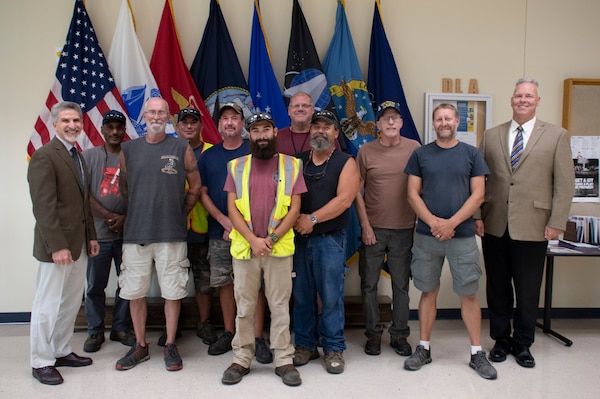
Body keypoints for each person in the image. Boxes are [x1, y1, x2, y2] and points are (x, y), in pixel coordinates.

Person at [475, 78, 575, 368]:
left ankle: (522, 345)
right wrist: (477, 215)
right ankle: (500, 341)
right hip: (494, 224)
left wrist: (557, 221)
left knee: (528, 289)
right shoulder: (492, 135)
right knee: (497, 287)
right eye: (518, 95)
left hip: (535, 225)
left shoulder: (556, 135)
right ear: (511, 100)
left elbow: (564, 184)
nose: (522, 100)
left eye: (528, 96)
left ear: (537, 101)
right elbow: (479, 180)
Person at [403, 103, 497, 380]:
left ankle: (477, 353)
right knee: (427, 291)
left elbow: (478, 195)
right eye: (439, 119)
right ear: (433, 123)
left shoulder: (472, 154)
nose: (444, 122)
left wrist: (451, 223)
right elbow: (412, 194)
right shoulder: (421, 154)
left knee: (468, 293)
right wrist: (434, 223)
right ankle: (424, 348)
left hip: (462, 235)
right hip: (427, 236)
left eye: (448, 118)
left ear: (457, 122)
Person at [115, 98, 201, 372]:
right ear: (144, 116)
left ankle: (171, 344)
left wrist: (180, 210)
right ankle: (140, 345)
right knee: (134, 292)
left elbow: (196, 186)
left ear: (168, 117)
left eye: (161, 112)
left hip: (171, 234)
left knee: (173, 292)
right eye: (151, 111)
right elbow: (125, 189)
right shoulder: (127, 149)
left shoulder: (181, 147)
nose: (156, 115)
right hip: (135, 234)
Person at [221, 112, 307, 386]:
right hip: (246, 249)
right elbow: (232, 209)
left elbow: (295, 209)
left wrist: (270, 239)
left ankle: (283, 360)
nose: (261, 135)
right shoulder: (235, 166)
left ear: (274, 133)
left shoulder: (292, 165)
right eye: (255, 130)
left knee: (280, 306)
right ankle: (242, 358)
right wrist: (253, 240)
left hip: (278, 249)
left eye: (266, 130)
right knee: (244, 306)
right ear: (249, 134)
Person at [27, 101, 99, 385]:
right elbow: (43, 207)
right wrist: (57, 245)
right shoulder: (45, 156)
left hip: (79, 244)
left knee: (70, 302)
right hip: (56, 247)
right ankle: (41, 360)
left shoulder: (78, 156)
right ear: (54, 124)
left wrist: (91, 236)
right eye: (66, 121)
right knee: (47, 304)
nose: (72, 126)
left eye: (76, 121)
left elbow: (84, 204)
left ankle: (60, 349)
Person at [199, 103, 272, 363]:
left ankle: (257, 337)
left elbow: (263, 191)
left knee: (255, 286)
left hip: (253, 232)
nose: (230, 123)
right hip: (220, 231)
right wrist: (223, 220)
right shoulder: (208, 156)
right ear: (218, 125)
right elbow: (202, 193)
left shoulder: (254, 151)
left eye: (235, 118)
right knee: (225, 284)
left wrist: (242, 226)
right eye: (225, 119)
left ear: (243, 124)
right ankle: (230, 333)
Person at [292, 110, 360, 374]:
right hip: (298, 241)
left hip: (330, 239)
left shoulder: (346, 162)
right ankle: (305, 345)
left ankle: (333, 348)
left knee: (330, 296)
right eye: (316, 126)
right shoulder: (298, 162)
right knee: (301, 295)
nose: (320, 130)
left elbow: (345, 200)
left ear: (335, 133)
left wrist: (312, 218)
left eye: (326, 127)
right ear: (310, 131)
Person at [354, 101, 420, 356]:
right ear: (378, 124)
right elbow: (356, 192)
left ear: (401, 122)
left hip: (405, 229)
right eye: (386, 119)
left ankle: (400, 335)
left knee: (401, 285)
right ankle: (372, 334)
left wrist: (418, 223)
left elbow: (421, 187)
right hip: (374, 229)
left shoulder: (415, 149)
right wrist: (365, 225)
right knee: (368, 284)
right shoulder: (366, 152)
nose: (391, 122)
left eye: (395, 118)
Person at [161, 106, 217, 347]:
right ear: (177, 125)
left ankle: (204, 323)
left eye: (194, 122)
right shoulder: (167, 151)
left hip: (204, 226)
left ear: (201, 126)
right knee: (171, 279)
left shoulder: (212, 153)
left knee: (204, 279)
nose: (189, 126)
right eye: (184, 122)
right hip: (173, 226)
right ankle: (173, 327)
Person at [81, 110, 134, 353]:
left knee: (127, 284)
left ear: (125, 131)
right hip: (99, 235)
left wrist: (125, 218)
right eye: (110, 127)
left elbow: (140, 193)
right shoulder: (88, 157)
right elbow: (83, 195)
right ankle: (94, 331)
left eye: (119, 127)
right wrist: (110, 216)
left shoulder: (132, 156)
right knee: (94, 285)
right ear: (102, 129)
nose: (114, 132)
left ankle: (120, 327)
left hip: (127, 234)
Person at [277, 91, 341, 156]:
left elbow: (338, 162)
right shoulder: (277, 137)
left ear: (312, 110)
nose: (300, 109)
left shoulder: (325, 136)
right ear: (289, 110)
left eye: (305, 106)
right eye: (296, 106)